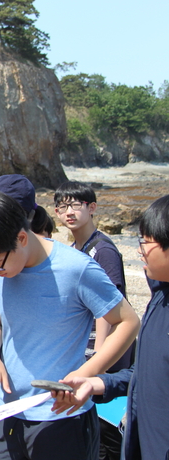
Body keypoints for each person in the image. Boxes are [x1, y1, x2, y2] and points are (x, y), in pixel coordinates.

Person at [0, 190, 140, 460]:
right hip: (5, 415)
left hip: (61, 416)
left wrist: (88, 373)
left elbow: (128, 321)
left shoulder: (76, 269)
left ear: (21, 238)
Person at [52, 194, 169, 460]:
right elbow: (146, 375)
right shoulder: (159, 300)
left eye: (146, 241)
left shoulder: (103, 250)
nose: (140, 249)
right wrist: (97, 383)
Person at [54, 180, 134, 459]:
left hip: (106, 357)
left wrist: (99, 356)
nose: (69, 212)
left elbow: (110, 306)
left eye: (76, 205)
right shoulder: (77, 249)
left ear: (92, 208)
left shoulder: (103, 250)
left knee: (105, 432)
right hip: (89, 353)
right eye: (62, 206)